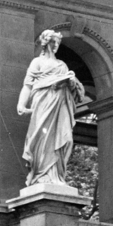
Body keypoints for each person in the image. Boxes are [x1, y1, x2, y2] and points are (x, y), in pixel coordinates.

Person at [16, 29, 89, 189]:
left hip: (60, 104)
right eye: (53, 42)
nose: (56, 46)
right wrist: (21, 104)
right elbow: (27, 86)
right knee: (43, 138)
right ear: (46, 43)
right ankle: (41, 176)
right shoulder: (37, 62)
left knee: (66, 139)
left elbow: (73, 89)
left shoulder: (61, 64)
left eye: (57, 43)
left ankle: (56, 176)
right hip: (43, 103)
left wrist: (70, 80)